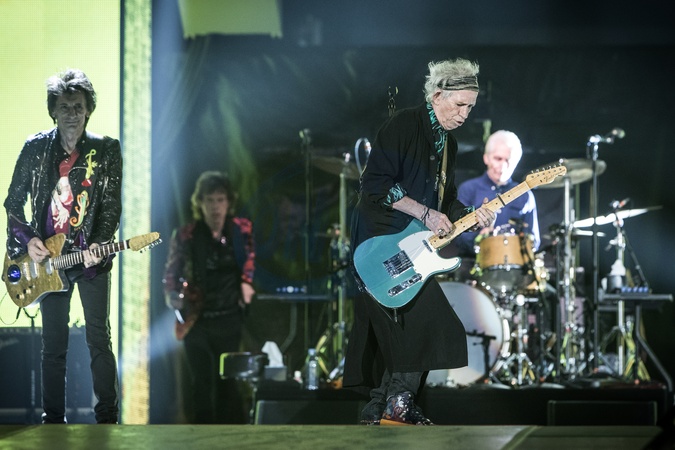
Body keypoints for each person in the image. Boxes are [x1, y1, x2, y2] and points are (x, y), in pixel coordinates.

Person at [343, 58, 496, 425]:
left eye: (470, 107)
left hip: (412, 249)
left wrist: (471, 215)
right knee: (433, 323)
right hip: (380, 244)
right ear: (437, 95)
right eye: (459, 104)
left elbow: (447, 200)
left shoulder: (449, 144)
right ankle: (397, 402)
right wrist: (425, 214)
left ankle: (379, 409)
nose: (464, 114)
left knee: (405, 334)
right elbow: (375, 184)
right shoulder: (403, 125)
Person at [4, 69, 122, 424]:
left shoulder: (106, 149)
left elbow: (111, 205)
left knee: (98, 338)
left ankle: (108, 419)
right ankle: (53, 421)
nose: (72, 113)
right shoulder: (35, 148)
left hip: (90, 260)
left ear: (89, 110)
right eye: (65, 106)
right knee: (53, 346)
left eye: (78, 107)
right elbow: (13, 203)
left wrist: (99, 242)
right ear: (53, 110)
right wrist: (30, 240)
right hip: (48, 262)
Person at [163, 171, 255, 424]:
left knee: (228, 384)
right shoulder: (187, 235)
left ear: (229, 202)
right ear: (200, 203)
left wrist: (247, 284)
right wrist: (173, 295)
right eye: (210, 200)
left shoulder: (241, 230)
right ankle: (201, 436)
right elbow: (171, 273)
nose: (215, 206)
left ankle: (227, 436)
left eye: (220, 200)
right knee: (201, 384)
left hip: (228, 317)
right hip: (197, 319)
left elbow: (248, 263)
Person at [455, 129, 540, 257]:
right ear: (486, 158)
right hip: (474, 261)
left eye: (508, 160)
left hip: (513, 262)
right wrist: (479, 238)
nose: (503, 166)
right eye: (498, 158)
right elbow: (457, 234)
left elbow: (534, 239)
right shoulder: (468, 189)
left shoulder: (525, 194)